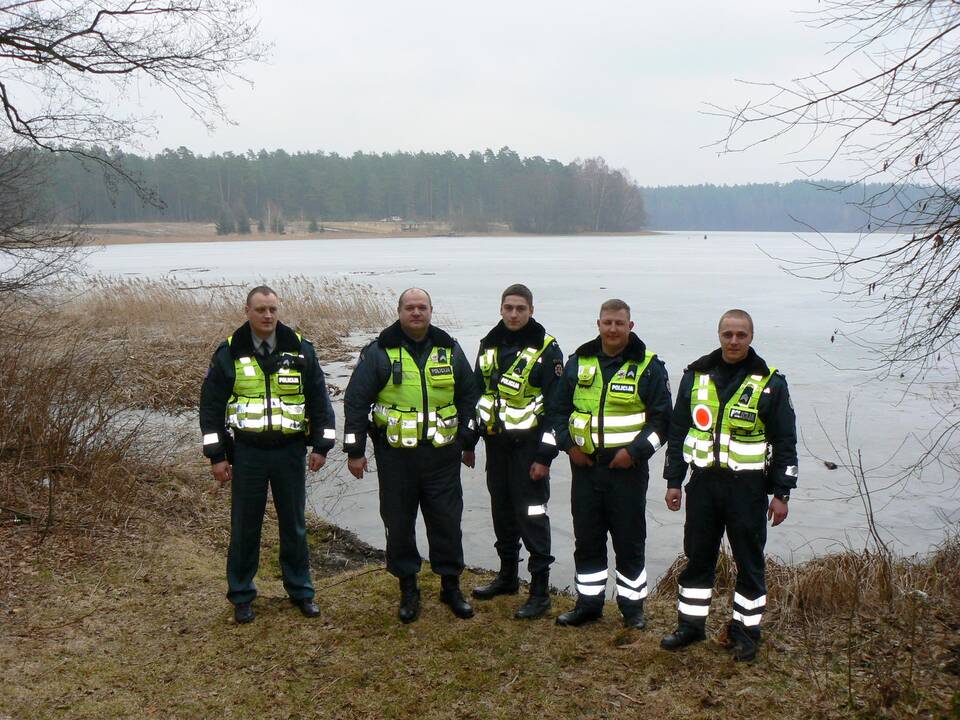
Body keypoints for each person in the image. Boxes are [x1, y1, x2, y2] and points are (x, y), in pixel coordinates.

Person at [660, 309, 798, 662]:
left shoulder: (770, 383)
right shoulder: (695, 377)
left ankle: (746, 633)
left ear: (751, 337)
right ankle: (690, 627)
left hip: (748, 489)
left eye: (741, 335)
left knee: (749, 563)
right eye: (728, 334)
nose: (734, 341)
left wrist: (782, 493)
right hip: (703, 484)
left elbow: (785, 442)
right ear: (718, 335)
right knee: (697, 559)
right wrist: (673, 480)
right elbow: (678, 433)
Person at [200, 285, 336, 624]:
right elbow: (211, 409)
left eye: (273, 309)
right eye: (260, 309)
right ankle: (243, 595)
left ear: (279, 310)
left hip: (290, 452)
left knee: (294, 524)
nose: (267, 315)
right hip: (248, 453)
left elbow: (320, 400)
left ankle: (301, 591)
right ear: (247, 311)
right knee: (245, 526)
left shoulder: (301, 349)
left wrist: (321, 446)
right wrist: (217, 456)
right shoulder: (229, 352)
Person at [342, 288, 480, 623]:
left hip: (442, 457)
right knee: (400, 524)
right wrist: (355, 451)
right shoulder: (378, 352)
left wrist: (468, 441)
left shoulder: (449, 350)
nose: (416, 313)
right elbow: (356, 402)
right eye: (410, 308)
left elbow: (470, 397)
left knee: (447, 523)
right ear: (399, 311)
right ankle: (408, 588)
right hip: (396, 458)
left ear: (431, 310)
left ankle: (451, 586)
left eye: (422, 307)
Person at [551, 299, 672, 629]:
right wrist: (568, 446)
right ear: (599, 324)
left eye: (620, 323)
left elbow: (662, 423)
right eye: (608, 323)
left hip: (627, 471)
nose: (613, 329)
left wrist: (634, 453)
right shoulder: (579, 362)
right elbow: (558, 411)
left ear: (630, 326)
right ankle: (588, 604)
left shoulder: (649, 367)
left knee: (629, 539)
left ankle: (632, 608)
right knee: (587, 539)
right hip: (585, 467)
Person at [471, 284, 563, 620]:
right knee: (502, 511)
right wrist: (469, 443)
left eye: (520, 308)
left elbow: (557, 410)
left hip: (529, 450)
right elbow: (476, 394)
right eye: (508, 308)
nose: (513, 314)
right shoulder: (488, 344)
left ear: (531, 311)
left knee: (533, 516)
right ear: (500, 309)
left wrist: (544, 457)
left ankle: (540, 592)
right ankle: (508, 577)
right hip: (495, 446)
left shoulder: (548, 350)